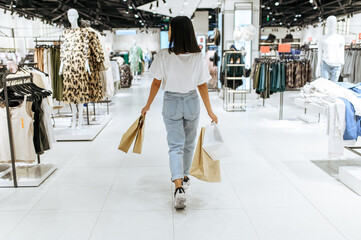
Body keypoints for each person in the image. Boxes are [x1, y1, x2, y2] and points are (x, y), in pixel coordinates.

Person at [141, 16, 218, 209]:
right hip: (192, 101)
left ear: (176, 32)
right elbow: (202, 85)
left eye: (169, 29)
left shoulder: (164, 55)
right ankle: (184, 176)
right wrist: (210, 111)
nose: (168, 31)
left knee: (175, 145)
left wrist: (147, 105)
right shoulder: (197, 56)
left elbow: (157, 83)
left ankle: (178, 187)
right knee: (189, 143)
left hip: (172, 101)